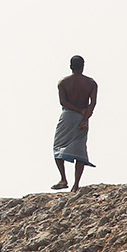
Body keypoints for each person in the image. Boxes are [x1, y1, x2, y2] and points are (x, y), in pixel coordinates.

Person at [51, 55, 98, 191]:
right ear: (83, 66)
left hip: (67, 116)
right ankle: (76, 184)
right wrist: (85, 117)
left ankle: (63, 178)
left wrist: (79, 111)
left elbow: (63, 102)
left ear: (70, 66)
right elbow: (93, 103)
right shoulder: (91, 83)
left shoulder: (63, 82)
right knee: (80, 150)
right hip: (81, 117)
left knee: (58, 146)